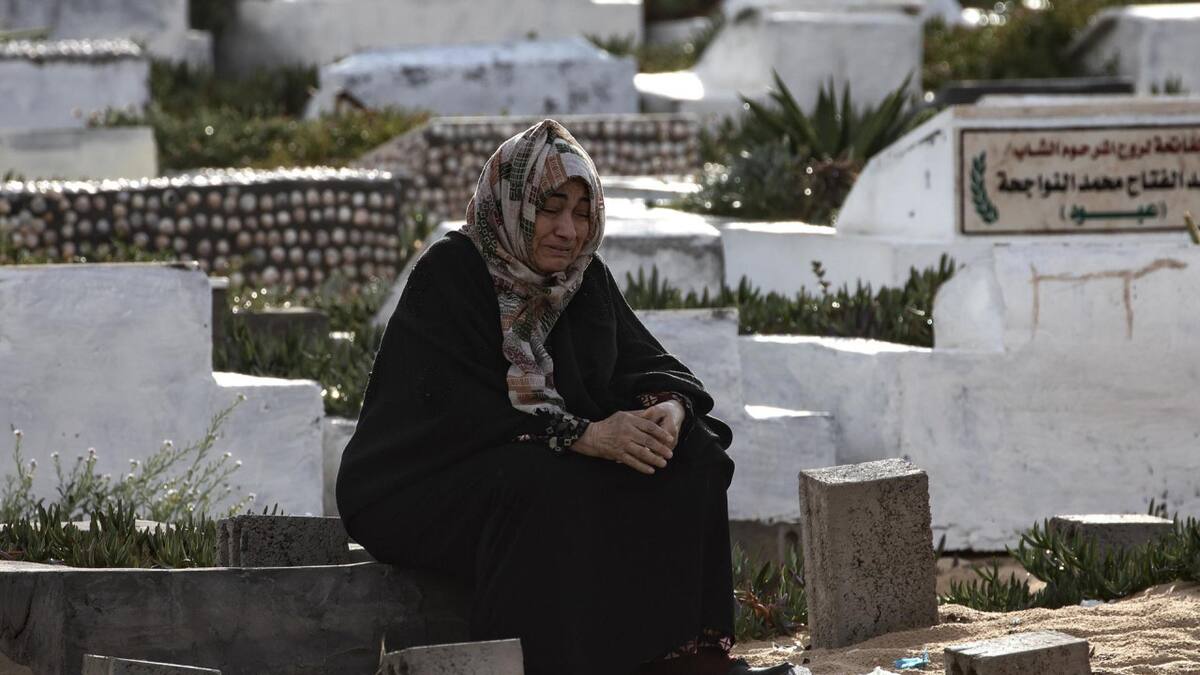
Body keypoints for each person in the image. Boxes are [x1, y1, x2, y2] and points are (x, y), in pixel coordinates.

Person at [336, 119, 796, 675]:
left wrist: (667, 411)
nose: (567, 230)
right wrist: (586, 436)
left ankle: (684, 659)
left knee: (692, 454)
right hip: (421, 486)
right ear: (515, 202)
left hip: (543, 463)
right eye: (551, 208)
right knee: (543, 481)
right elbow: (456, 414)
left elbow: (650, 365)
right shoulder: (452, 272)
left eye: (582, 213)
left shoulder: (582, 280)